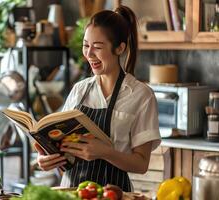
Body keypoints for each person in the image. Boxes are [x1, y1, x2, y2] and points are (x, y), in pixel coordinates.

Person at [34, 5, 161, 192]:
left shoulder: (141, 96)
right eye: (86, 45)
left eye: (98, 47)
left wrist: (104, 152)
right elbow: (63, 147)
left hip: (114, 194)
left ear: (120, 48)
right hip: (72, 193)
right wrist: (46, 158)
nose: (89, 54)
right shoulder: (80, 90)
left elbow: (141, 164)